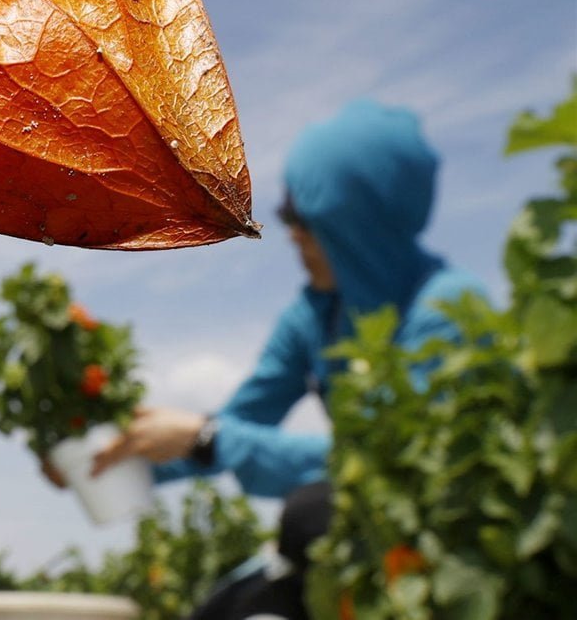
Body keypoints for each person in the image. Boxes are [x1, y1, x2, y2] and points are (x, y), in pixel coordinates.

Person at [88, 99, 486, 618]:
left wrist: (208, 438)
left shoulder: (448, 313)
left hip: (436, 540)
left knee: (307, 514)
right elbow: (241, 423)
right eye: (287, 214)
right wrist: (120, 461)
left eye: (306, 217)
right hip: (359, 532)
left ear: (361, 225)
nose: (291, 232)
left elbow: (397, 469)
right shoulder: (316, 314)